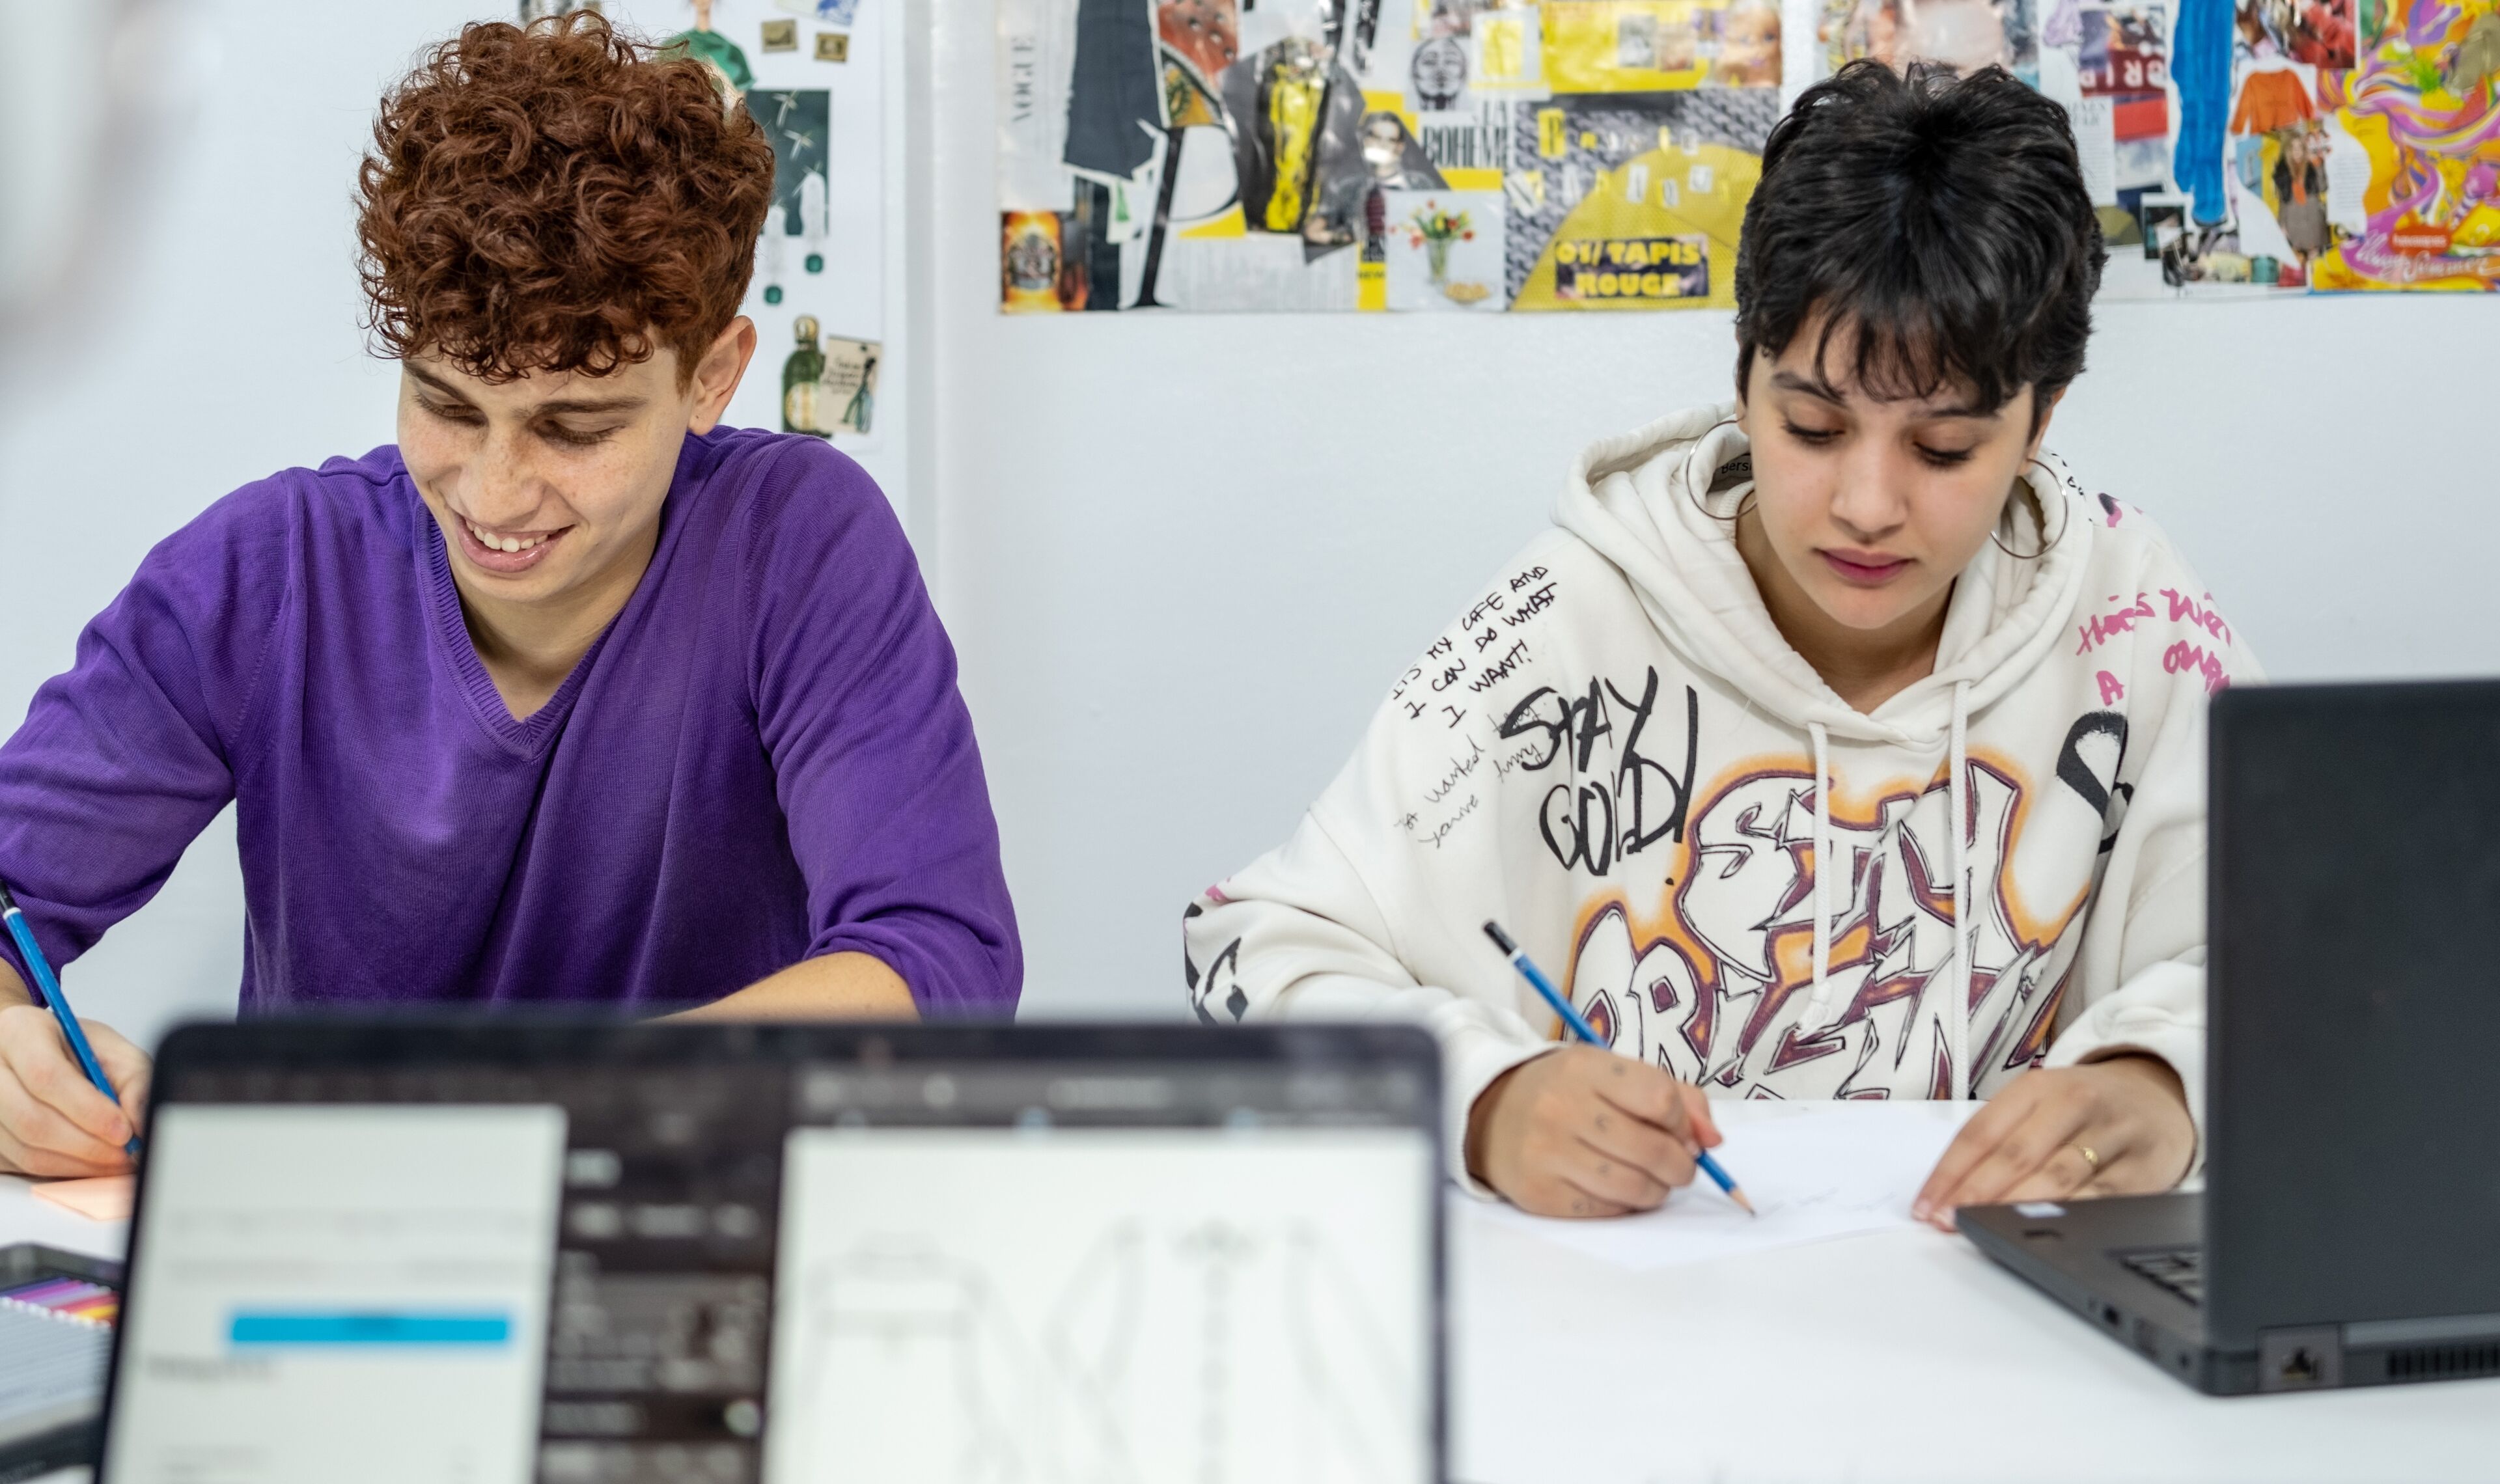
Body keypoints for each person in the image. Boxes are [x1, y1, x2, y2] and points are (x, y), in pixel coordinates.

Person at [1184, 61, 2257, 1224]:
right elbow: (1254, 950)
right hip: (1637, 1342)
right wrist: (1488, 1101)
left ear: (2041, 420)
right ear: (1743, 379)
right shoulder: (1569, 620)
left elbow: (2320, 967)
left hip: (2016, 1343)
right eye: (1811, 426)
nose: (1865, 503)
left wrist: (2163, 1084)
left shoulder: (2135, 624)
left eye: (1943, 449)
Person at [0, 14, 1021, 1178]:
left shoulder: (798, 544)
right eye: (447, 406)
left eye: (572, 427)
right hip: (325, 1264)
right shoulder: (265, 572)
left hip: (685, 1222)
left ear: (716, 377)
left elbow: (938, 965)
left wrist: (523, 1123)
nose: (494, 491)